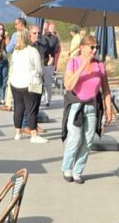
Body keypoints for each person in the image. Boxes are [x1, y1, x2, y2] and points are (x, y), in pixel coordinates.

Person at [61, 34, 113, 183]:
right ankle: (67, 168)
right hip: (76, 105)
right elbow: (68, 85)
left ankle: (77, 171)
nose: (94, 50)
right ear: (82, 47)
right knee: (75, 138)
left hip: (92, 106)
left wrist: (108, 109)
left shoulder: (99, 65)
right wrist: (83, 65)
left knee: (88, 141)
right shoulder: (73, 62)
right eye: (92, 47)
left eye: (97, 47)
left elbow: (106, 89)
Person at [8, 29, 47, 143]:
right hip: (30, 83)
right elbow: (39, 69)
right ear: (28, 38)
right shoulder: (32, 51)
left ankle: (17, 133)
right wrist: (41, 75)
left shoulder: (16, 51)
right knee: (31, 109)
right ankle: (34, 135)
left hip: (15, 83)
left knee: (18, 108)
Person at [42, 22, 62, 107]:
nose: (46, 29)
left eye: (48, 27)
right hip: (41, 62)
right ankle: (42, 98)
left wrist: (45, 35)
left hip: (48, 63)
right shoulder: (40, 36)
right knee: (40, 82)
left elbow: (50, 45)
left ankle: (48, 99)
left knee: (47, 82)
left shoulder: (54, 38)